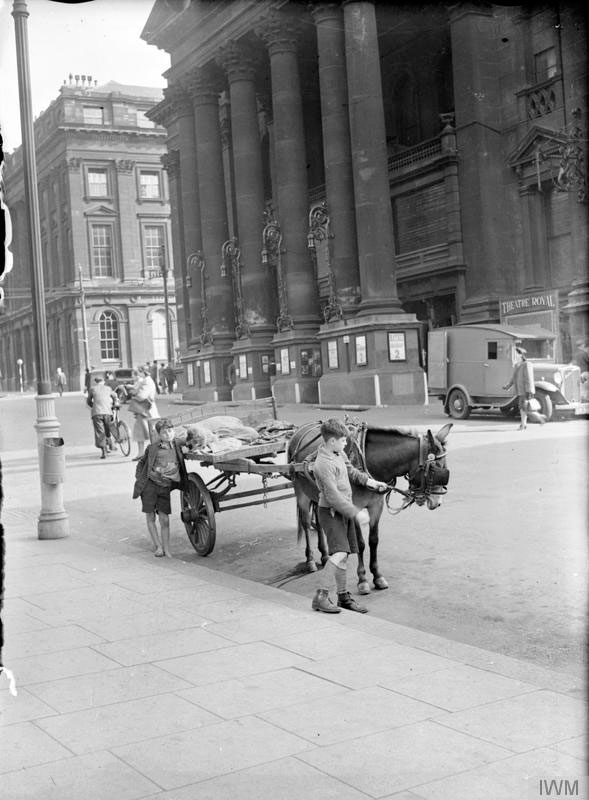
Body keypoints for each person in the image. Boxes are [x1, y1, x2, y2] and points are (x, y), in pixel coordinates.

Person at [311, 418, 388, 614]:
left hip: (343, 512)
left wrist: (370, 483)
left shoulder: (339, 453)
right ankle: (321, 596)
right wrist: (357, 514)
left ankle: (343, 597)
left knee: (344, 556)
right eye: (343, 440)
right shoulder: (322, 465)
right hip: (331, 512)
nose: (346, 443)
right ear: (332, 441)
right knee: (339, 553)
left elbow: (352, 471)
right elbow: (333, 498)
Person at [132, 418, 188, 558]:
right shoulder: (152, 448)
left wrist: (189, 447)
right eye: (164, 432)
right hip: (149, 486)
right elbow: (141, 463)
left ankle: (167, 549)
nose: (168, 434)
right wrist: (140, 477)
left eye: (170, 431)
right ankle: (158, 547)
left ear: (173, 431)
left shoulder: (177, 445)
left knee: (164, 519)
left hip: (164, 486)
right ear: (158, 435)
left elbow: (192, 442)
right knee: (150, 516)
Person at [503, 346, 546, 430]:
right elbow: (513, 378)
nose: (514, 356)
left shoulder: (527, 364)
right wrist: (507, 386)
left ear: (520, 355)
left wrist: (529, 391)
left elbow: (529, 378)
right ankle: (524, 424)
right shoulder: (516, 365)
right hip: (520, 391)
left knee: (525, 408)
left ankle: (539, 418)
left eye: (515, 354)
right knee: (523, 408)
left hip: (526, 391)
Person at [129, 365, 159, 460]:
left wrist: (134, 394)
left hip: (146, 410)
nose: (138, 375)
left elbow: (142, 396)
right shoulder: (147, 380)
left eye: (138, 372)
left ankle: (148, 454)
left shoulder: (146, 381)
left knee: (150, 432)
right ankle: (141, 453)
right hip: (145, 410)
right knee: (144, 432)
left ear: (143, 372)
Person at [86, 375, 118, 458]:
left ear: (96, 382)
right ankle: (110, 443)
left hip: (97, 413)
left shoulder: (92, 389)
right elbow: (114, 396)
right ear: (103, 381)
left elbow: (88, 401)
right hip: (108, 412)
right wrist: (114, 404)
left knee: (100, 432)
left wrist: (94, 406)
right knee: (108, 429)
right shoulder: (108, 388)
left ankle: (104, 451)